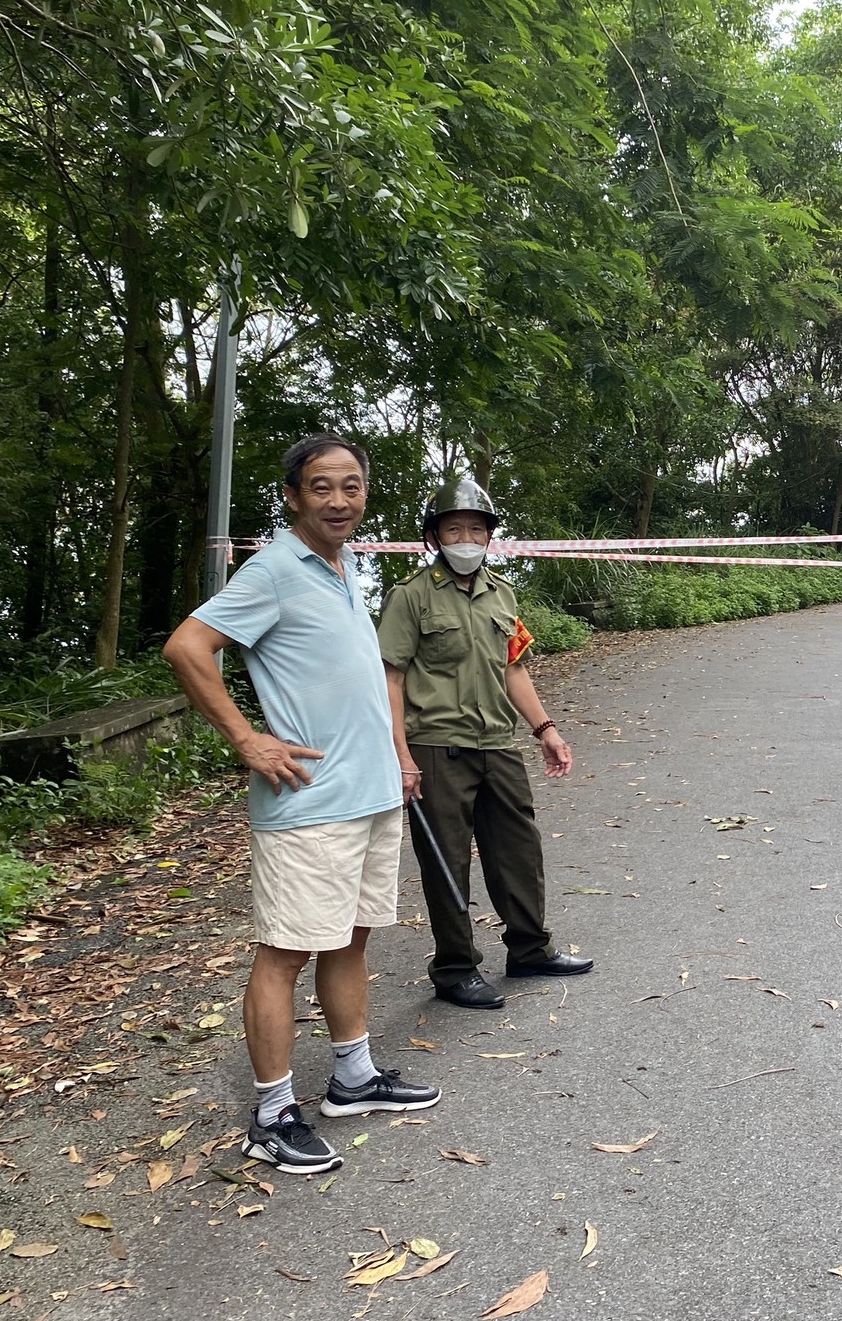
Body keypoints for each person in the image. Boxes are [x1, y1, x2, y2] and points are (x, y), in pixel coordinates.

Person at [164, 433, 439, 1176]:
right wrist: (248, 740)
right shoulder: (277, 569)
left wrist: (397, 761)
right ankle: (272, 1112)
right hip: (308, 803)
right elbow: (188, 647)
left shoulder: (344, 567)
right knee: (284, 954)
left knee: (350, 938)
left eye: (351, 486)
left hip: (370, 793)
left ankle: (352, 1080)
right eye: (322, 486)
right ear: (293, 496)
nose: (340, 499)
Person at [379, 479, 590, 1009]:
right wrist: (400, 755)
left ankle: (529, 949)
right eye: (455, 528)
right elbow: (391, 679)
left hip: (497, 741)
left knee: (518, 848)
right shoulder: (410, 597)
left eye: (477, 528)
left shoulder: (502, 594)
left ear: (490, 536)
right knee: (446, 858)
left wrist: (546, 729)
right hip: (436, 743)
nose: (466, 538)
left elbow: (512, 666)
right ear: (434, 536)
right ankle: (454, 969)